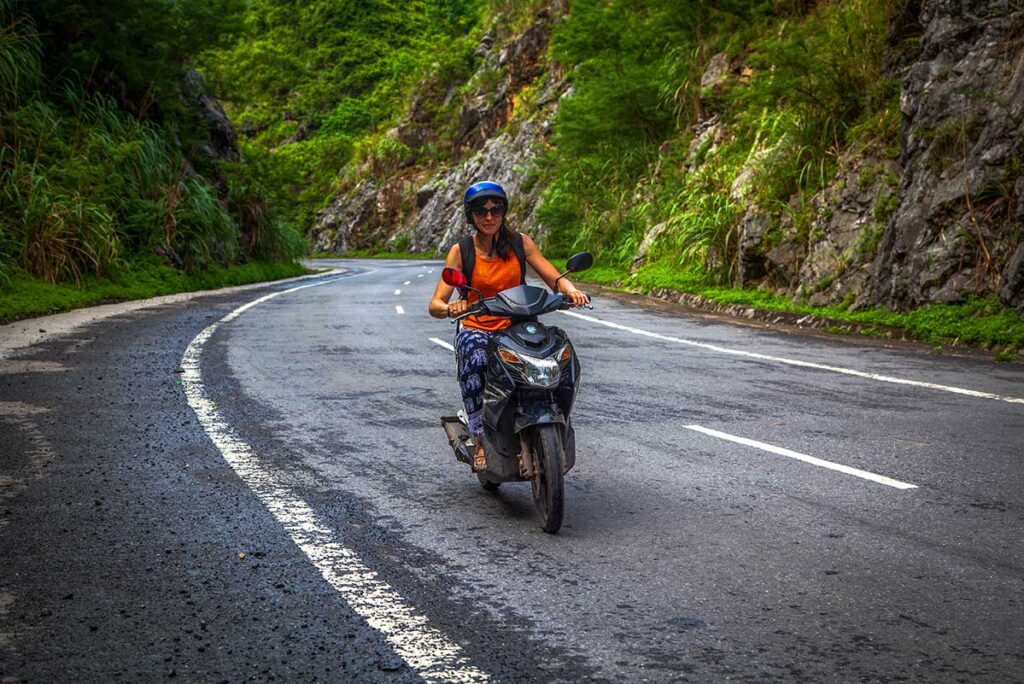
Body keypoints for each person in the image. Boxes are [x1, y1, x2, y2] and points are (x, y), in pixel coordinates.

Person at [429, 181, 589, 472]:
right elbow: (436, 303)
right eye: (481, 211)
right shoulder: (461, 251)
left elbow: (553, 276)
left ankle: (557, 418)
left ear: (504, 212)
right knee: (475, 354)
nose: (489, 217)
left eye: (496, 210)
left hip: (517, 325)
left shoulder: (520, 242)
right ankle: (479, 437)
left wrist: (572, 290)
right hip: (479, 326)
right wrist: (452, 306)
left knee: (560, 351)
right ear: (471, 216)